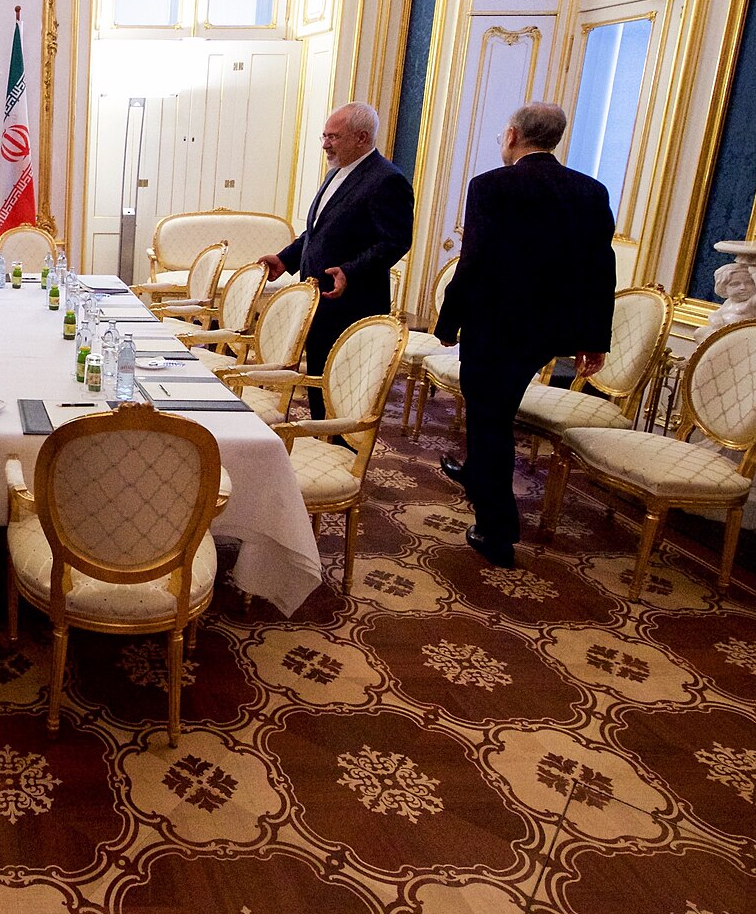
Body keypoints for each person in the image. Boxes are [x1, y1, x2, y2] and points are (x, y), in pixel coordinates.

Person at [435, 102, 615, 568]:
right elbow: (600, 271)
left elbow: (474, 259)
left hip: (496, 325)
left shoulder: (491, 186)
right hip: (551, 330)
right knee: (491, 412)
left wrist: (447, 321)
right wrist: (593, 338)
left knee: (490, 419)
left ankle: (496, 529)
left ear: (512, 135)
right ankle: (475, 472)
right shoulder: (591, 191)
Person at [258, 102, 414, 419]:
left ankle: (342, 454)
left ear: (361, 137)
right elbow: (319, 232)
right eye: (324, 136)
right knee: (319, 381)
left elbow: (396, 241)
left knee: (343, 393)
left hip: (352, 303)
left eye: (334, 137)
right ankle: (318, 436)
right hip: (320, 301)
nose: (326, 144)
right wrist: (285, 259)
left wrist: (350, 271)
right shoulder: (337, 173)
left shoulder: (387, 180)